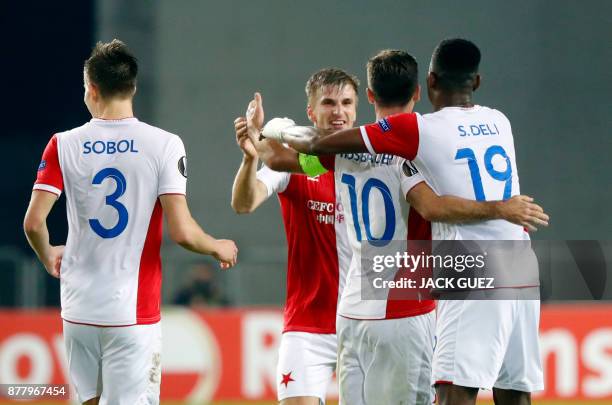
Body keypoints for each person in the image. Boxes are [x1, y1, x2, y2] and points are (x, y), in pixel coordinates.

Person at [247, 50, 548, 404]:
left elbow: (278, 157)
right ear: (419, 91)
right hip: (408, 309)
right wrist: (501, 208)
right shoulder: (423, 143)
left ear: (370, 96)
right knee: (494, 388)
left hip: (352, 311)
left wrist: (263, 130)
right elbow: (432, 207)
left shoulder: (339, 149)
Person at [23, 39, 238, 405]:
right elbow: (183, 232)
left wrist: (47, 255)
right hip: (133, 311)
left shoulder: (63, 144)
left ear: (91, 88)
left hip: (79, 306)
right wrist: (218, 245)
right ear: (133, 87)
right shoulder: (164, 144)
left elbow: (33, 223)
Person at [232, 68, 356, 405]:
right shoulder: (292, 164)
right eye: (329, 103)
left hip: (363, 322)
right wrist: (250, 158)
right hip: (308, 325)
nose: (339, 112)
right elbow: (245, 203)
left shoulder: (365, 160)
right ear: (311, 112)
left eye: (346, 102)